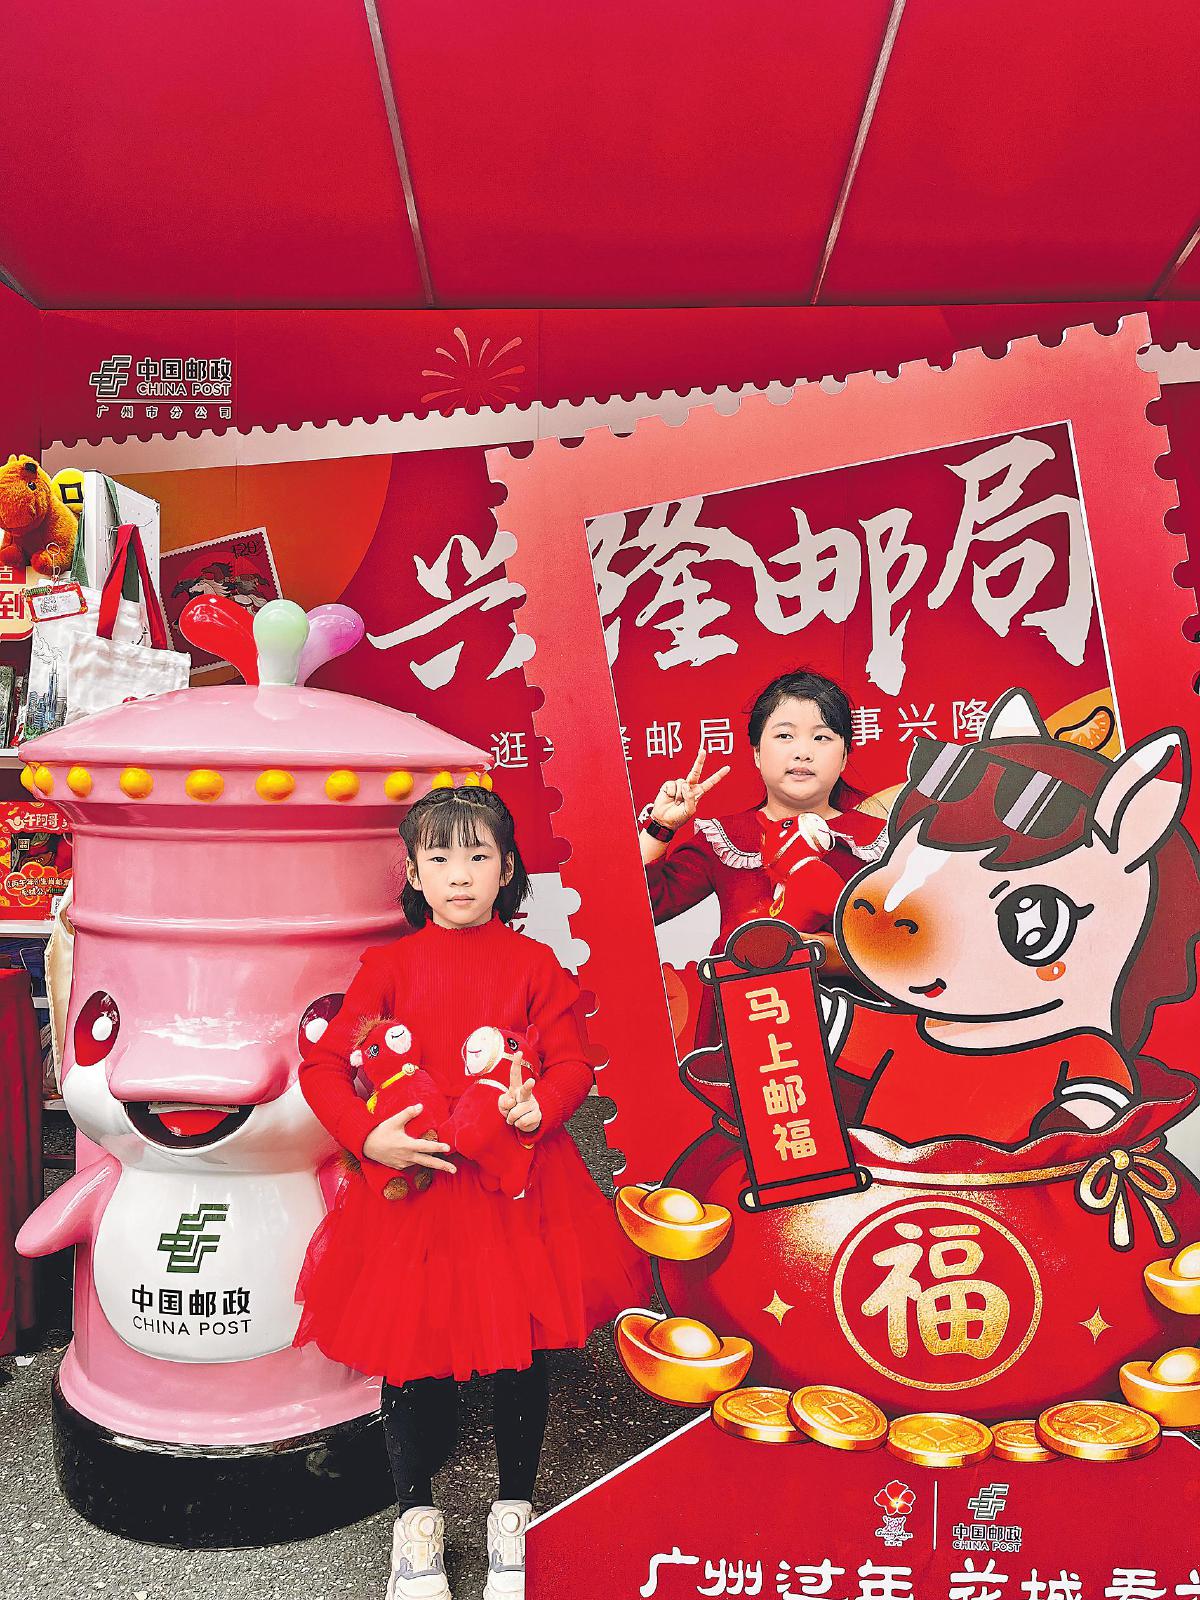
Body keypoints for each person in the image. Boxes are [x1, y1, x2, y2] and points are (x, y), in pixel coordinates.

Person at [295, 785, 648, 1600]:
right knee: (410, 1355)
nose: (460, 874)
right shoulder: (387, 968)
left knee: (521, 1353)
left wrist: (542, 1106)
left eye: (479, 855)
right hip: (413, 1190)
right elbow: (324, 1067)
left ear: (508, 869)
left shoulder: (534, 965)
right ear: (413, 873)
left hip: (514, 1186)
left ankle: (513, 1513)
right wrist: (366, 1136)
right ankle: (414, 1520)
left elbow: (572, 1063)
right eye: (441, 856)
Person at [639, 670, 886, 1069]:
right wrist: (661, 826)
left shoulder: (882, 840)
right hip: (753, 1038)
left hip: (859, 1038)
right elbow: (644, 908)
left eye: (822, 737)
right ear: (756, 753)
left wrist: (821, 951)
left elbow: (909, 944)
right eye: (784, 735)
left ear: (844, 756)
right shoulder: (726, 836)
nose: (802, 752)